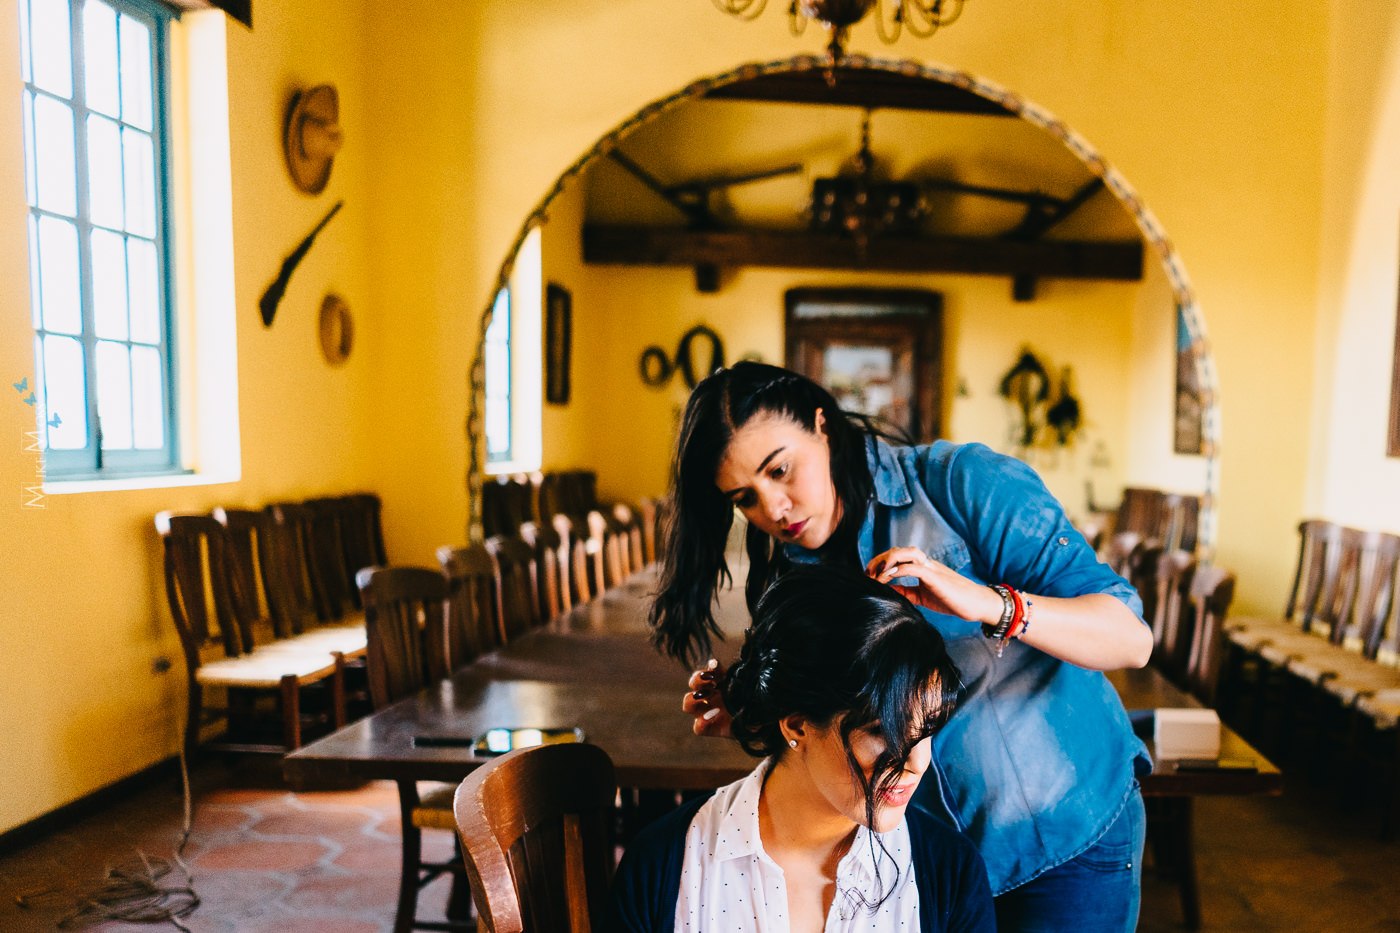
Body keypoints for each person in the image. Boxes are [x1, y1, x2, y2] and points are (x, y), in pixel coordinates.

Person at [650, 361, 1152, 933]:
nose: (774, 509)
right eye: (746, 498)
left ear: (822, 423)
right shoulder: (788, 575)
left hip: (1066, 836)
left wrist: (988, 604)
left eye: (781, 470)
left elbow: (1130, 639)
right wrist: (754, 712)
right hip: (928, 868)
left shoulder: (960, 483)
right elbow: (833, 730)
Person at [608, 566, 994, 933]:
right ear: (796, 725)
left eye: (926, 728)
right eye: (885, 732)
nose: (916, 761)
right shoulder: (663, 869)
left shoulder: (951, 875)